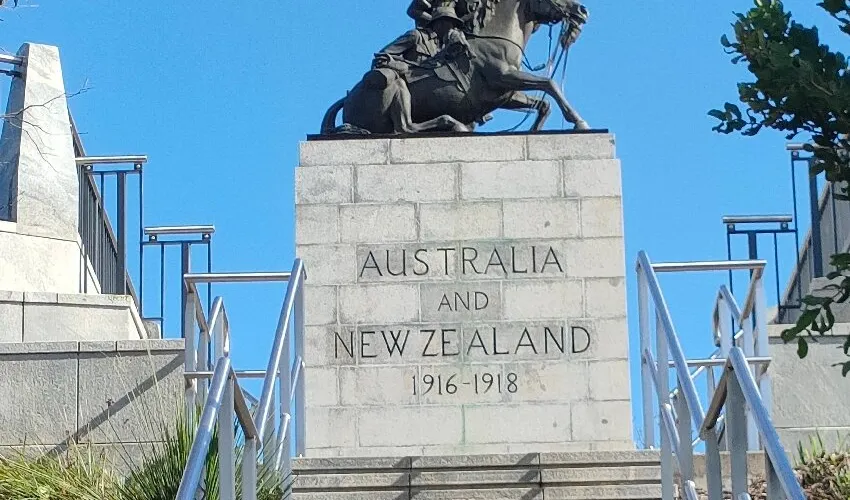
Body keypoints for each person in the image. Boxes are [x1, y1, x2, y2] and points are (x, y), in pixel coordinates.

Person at [373, 1, 471, 76]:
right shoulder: (416, 36)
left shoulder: (443, 46)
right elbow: (383, 55)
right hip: (410, 81)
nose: (453, 28)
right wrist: (402, 65)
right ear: (439, 23)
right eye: (450, 24)